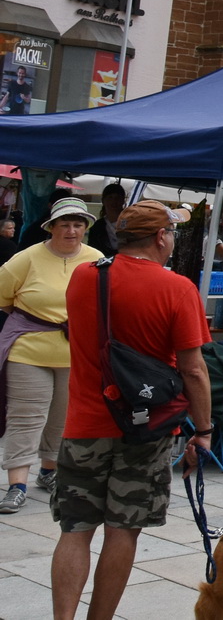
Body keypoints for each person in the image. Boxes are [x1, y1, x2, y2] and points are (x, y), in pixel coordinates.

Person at [51, 199, 211, 620]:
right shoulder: (178, 288)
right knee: (122, 531)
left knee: (75, 530)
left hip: (84, 423)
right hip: (147, 427)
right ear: (160, 237)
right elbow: (194, 370)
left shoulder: (84, 276)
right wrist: (204, 430)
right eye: (172, 233)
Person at [0, 199, 105, 512]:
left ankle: (49, 471)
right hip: (28, 351)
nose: (71, 230)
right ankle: (16, 485)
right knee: (26, 418)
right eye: (64, 224)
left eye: (77, 225)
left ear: (85, 229)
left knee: (64, 417)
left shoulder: (96, 259)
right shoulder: (27, 257)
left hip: (76, 353)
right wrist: (35, 320)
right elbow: (3, 296)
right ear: (51, 227)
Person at [86, 185, 126, 259]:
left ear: (123, 200)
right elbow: (92, 248)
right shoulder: (97, 227)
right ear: (103, 201)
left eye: (117, 198)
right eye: (110, 197)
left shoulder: (131, 223)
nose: (114, 201)